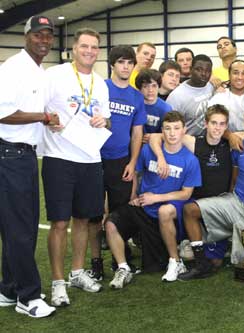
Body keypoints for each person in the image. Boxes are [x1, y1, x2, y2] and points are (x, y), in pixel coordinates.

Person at [177, 106, 244, 280]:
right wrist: (224, 204)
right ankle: (201, 263)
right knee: (190, 210)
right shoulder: (239, 146)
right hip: (235, 202)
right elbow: (234, 181)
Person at [43, 27, 111, 307]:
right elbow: (38, 107)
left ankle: (77, 272)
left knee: (83, 219)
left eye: (94, 47)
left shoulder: (100, 83)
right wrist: (49, 119)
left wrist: (103, 122)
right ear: (74, 48)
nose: (89, 51)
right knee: (59, 222)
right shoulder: (55, 75)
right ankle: (58, 283)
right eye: (85, 46)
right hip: (59, 158)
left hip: (90, 158)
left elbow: (106, 120)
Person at [0, 15, 57, 318]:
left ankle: (9, 289)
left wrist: (50, 118)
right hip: (11, 155)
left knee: (16, 226)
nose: (44, 41)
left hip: (23, 155)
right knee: (21, 228)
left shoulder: (38, 71)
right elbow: (3, 114)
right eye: (39, 35)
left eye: (48, 36)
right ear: (26, 36)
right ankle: (28, 297)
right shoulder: (12, 69)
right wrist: (43, 118)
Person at [105, 111, 201, 288]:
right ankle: (123, 268)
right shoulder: (149, 150)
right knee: (111, 223)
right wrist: (133, 196)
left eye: (176, 128)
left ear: (184, 131)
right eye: (167, 128)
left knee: (164, 211)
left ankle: (175, 261)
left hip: (169, 209)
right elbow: (136, 172)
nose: (172, 133)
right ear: (162, 131)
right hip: (144, 205)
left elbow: (186, 194)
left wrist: (156, 198)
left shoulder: (191, 160)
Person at [87, 45, 147, 281]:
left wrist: (132, 162)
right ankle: (96, 262)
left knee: (119, 214)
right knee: (92, 213)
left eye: (129, 63)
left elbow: (137, 133)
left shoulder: (136, 96)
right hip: (94, 158)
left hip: (121, 161)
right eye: (121, 62)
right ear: (112, 64)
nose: (125, 66)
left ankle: (119, 260)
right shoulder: (100, 88)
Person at [150, 105, 233, 271]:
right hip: (195, 202)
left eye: (222, 124)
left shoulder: (230, 144)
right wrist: (160, 157)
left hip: (219, 206)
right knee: (167, 211)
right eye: (214, 123)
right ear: (205, 123)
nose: (217, 128)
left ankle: (216, 241)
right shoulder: (194, 142)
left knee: (215, 262)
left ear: (226, 126)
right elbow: (155, 136)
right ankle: (179, 255)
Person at [166, 54, 214, 136]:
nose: (203, 73)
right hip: (186, 142)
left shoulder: (211, 86)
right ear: (191, 70)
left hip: (208, 141)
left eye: (207, 70)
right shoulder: (176, 96)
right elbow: (168, 127)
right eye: (199, 69)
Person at [208, 60, 244, 132]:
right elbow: (211, 125)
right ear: (229, 75)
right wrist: (230, 136)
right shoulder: (218, 98)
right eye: (235, 73)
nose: (240, 77)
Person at [136, 69, 173, 140]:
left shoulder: (166, 109)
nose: (150, 90)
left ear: (159, 87)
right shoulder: (134, 105)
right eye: (145, 86)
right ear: (139, 89)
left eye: (154, 86)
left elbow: (169, 133)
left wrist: (156, 137)